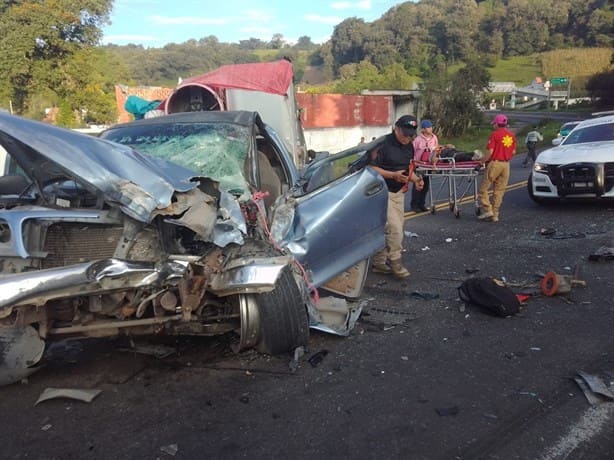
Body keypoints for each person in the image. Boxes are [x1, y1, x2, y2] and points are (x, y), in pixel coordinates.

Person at [368, 115, 424, 278]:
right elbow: (371, 169)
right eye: (404, 134)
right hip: (380, 191)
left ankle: (379, 262)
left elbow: (407, 167)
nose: (407, 138)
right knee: (395, 229)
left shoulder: (409, 146)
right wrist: (392, 175)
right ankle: (395, 262)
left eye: (411, 135)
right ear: (396, 128)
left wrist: (415, 179)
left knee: (391, 227)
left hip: (397, 192)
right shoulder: (382, 144)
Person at [477, 114, 517, 223]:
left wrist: (482, 161)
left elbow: (489, 152)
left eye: (494, 124)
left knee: (482, 190)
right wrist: (505, 156)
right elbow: (513, 152)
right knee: (499, 191)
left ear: (496, 124)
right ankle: (495, 215)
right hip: (506, 165)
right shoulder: (511, 135)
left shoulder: (495, 135)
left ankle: (487, 209)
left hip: (495, 164)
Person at [410, 119, 454, 212]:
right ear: (423, 129)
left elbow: (436, 148)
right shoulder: (418, 140)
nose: (430, 129)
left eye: (431, 127)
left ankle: (422, 204)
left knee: (426, 185)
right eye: (428, 127)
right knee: (418, 184)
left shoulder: (434, 138)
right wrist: (413, 163)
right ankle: (414, 205)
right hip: (419, 164)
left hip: (429, 164)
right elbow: (412, 152)